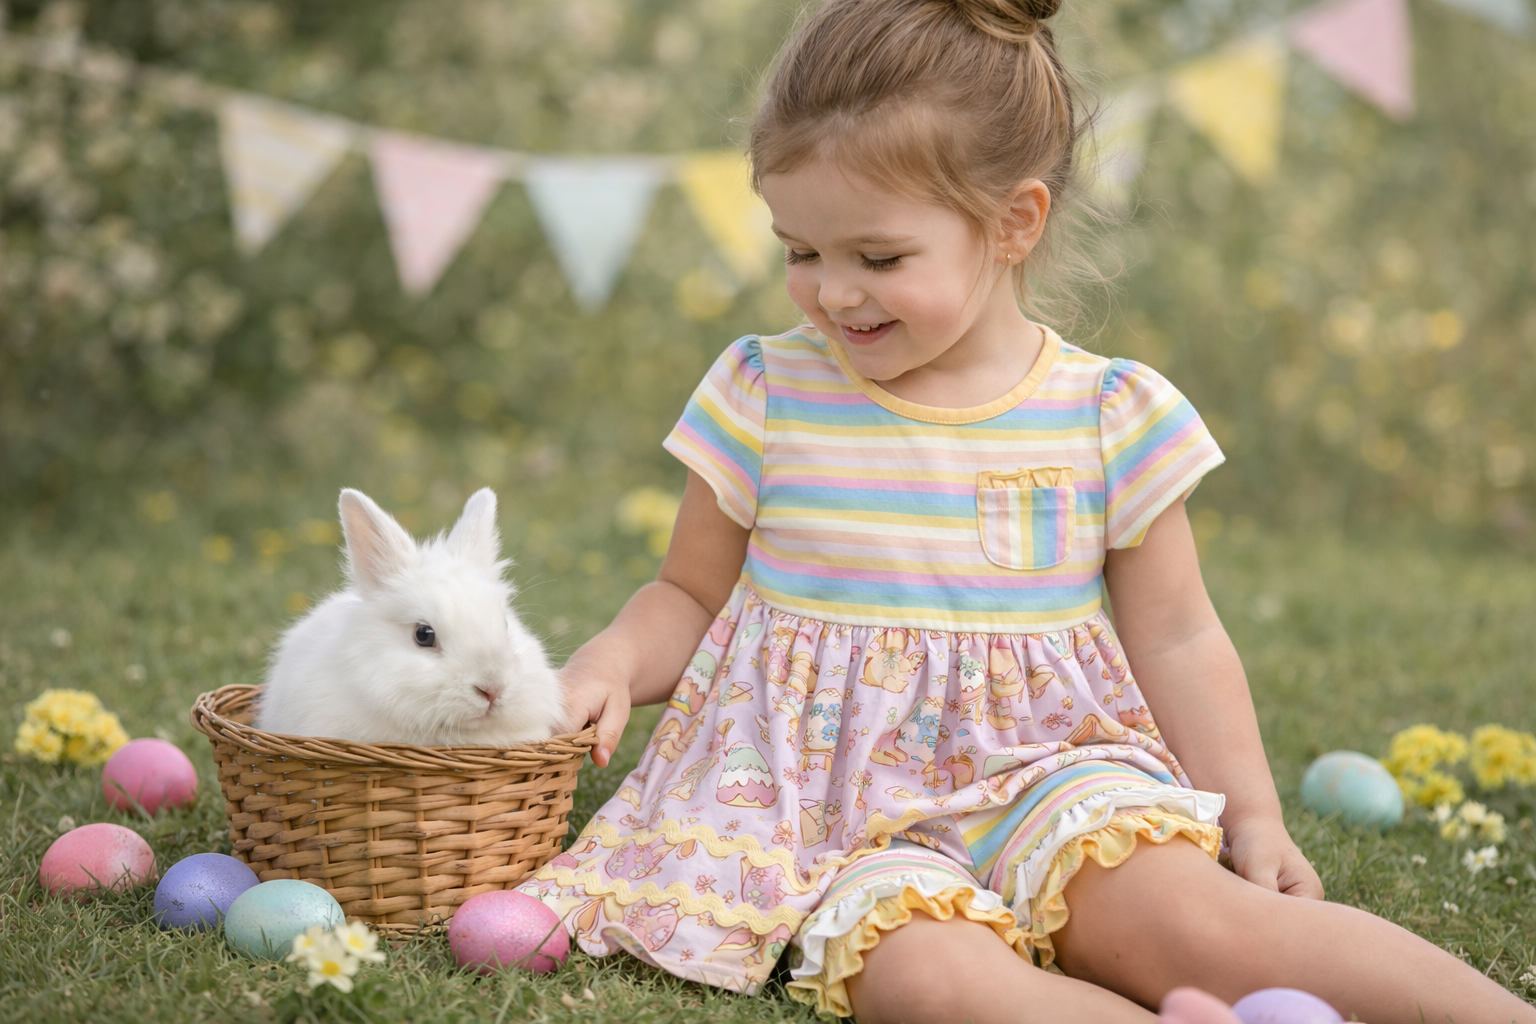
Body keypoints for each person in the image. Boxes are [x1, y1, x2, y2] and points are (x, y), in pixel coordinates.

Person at [517, 1, 1536, 1020]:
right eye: (800, 250)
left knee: (1186, 919)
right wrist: (610, 659)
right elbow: (689, 591)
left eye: (879, 259)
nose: (832, 293)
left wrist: (1256, 815)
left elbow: (1179, 635)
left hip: (1054, 770)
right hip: (833, 818)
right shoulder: (764, 392)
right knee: (929, 979)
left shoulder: (1101, 414)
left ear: (1014, 223)